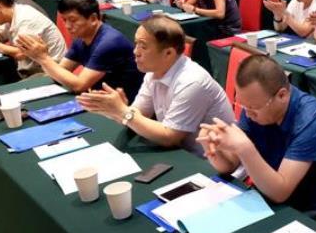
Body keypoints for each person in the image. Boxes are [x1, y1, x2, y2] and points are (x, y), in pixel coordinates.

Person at [199, 55, 316, 225]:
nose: (248, 114)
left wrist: (244, 147)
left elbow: (280, 192)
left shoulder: (312, 120)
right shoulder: (254, 105)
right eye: (242, 105)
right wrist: (213, 149)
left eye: (253, 108)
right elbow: (230, 166)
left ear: (282, 95)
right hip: (276, 199)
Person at [76, 16, 232, 154]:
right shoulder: (153, 72)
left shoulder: (192, 82)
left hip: (210, 161)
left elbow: (170, 137)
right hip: (179, 151)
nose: (135, 52)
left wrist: (123, 111)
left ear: (168, 53)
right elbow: (139, 114)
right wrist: (115, 109)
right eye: (136, 44)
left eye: (143, 46)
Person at [17, 0, 143, 101]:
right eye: (64, 20)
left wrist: (43, 58)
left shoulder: (109, 42)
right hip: (102, 99)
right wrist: (41, 56)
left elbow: (79, 86)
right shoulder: (81, 38)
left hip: (127, 105)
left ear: (93, 18)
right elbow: (61, 71)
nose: (67, 26)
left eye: (73, 20)